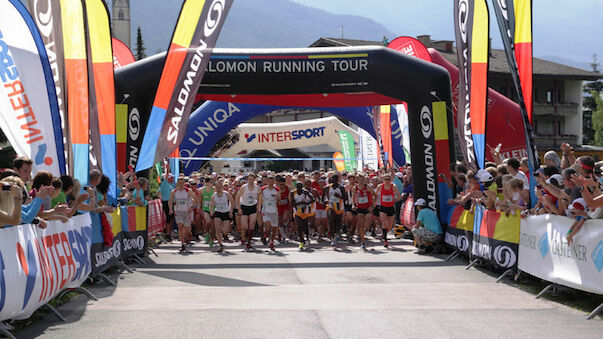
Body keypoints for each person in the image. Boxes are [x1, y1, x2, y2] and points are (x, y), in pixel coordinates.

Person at [169, 175, 195, 252]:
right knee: (180, 226)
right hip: (178, 211)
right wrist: (171, 209)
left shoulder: (188, 190)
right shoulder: (174, 191)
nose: (181, 185)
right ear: (178, 183)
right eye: (179, 183)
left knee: (186, 228)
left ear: (184, 183)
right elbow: (170, 201)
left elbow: (195, 198)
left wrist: (191, 206)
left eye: (182, 183)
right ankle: (182, 244)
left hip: (187, 211)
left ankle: (187, 235)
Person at [236, 173, 260, 251]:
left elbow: (260, 196)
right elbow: (238, 197)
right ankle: (243, 238)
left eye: (252, 179)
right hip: (244, 206)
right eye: (249, 179)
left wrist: (258, 205)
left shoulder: (257, 187)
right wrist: (239, 208)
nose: (251, 181)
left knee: (252, 225)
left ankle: (249, 242)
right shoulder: (244, 187)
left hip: (253, 206)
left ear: (254, 180)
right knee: (245, 226)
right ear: (247, 180)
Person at [209, 179, 234, 253]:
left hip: (226, 212)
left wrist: (230, 210)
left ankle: (223, 236)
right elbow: (212, 204)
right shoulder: (214, 195)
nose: (218, 189)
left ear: (222, 187)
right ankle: (220, 244)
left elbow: (232, 202)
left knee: (225, 231)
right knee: (217, 229)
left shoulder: (226, 194)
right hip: (218, 213)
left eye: (219, 187)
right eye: (217, 187)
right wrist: (211, 211)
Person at [375, 173, 400, 248]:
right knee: (384, 223)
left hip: (390, 207)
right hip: (383, 207)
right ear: (383, 180)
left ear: (391, 180)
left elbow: (398, 196)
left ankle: (383, 234)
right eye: (385, 179)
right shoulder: (380, 186)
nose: (387, 181)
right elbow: (375, 194)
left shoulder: (394, 186)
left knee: (389, 226)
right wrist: (375, 202)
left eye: (388, 179)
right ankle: (385, 241)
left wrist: (396, 199)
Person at [258, 175, 280, 251]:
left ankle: (272, 241)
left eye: (272, 181)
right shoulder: (263, 189)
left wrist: (278, 199)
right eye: (269, 181)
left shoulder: (277, 189)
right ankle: (266, 231)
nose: (271, 183)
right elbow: (260, 199)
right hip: (265, 209)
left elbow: (279, 201)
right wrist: (259, 207)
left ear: (274, 182)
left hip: (274, 210)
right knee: (267, 223)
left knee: (274, 227)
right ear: (267, 181)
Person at [353, 173, 374, 250]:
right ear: (357, 179)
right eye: (358, 178)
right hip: (359, 207)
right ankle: (363, 241)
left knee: (367, 224)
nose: (360, 180)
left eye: (361, 178)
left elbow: (375, 195)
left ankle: (367, 230)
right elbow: (354, 197)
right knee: (361, 224)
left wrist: (372, 205)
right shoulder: (355, 188)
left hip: (367, 207)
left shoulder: (367, 187)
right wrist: (353, 205)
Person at [291, 182, 314, 250]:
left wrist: (306, 203)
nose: (299, 189)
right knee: (299, 225)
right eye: (298, 187)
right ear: (296, 187)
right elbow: (292, 203)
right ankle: (301, 240)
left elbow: (312, 199)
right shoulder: (293, 193)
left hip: (305, 211)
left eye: (300, 187)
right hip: (297, 211)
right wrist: (299, 203)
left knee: (305, 225)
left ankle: (307, 237)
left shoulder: (305, 192)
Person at [324, 174, 344, 246]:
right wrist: (326, 200)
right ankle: (332, 236)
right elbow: (326, 196)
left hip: (339, 206)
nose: (334, 180)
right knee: (331, 219)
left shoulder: (341, 187)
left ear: (338, 180)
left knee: (338, 222)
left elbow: (345, 197)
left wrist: (339, 196)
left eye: (336, 179)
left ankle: (337, 233)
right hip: (330, 205)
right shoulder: (327, 187)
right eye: (333, 179)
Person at [159, 170, 176, 242]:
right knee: (169, 218)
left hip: (171, 202)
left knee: (171, 218)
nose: (173, 179)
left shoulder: (171, 185)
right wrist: (167, 166)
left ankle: (169, 233)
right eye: (171, 177)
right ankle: (167, 234)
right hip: (166, 202)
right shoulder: (164, 183)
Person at [276, 176, 291, 242]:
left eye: (283, 184)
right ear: (278, 184)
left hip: (286, 206)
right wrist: (278, 201)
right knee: (280, 222)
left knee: (285, 219)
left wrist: (291, 206)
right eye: (280, 185)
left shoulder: (288, 189)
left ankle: (286, 231)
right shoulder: (276, 189)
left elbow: (289, 198)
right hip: (278, 206)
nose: (282, 186)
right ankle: (282, 236)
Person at [200, 177, 215, 245]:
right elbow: (200, 199)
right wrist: (198, 207)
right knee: (208, 221)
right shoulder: (202, 190)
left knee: (212, 226)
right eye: (211, 182)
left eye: (213, 182)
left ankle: (210, 238)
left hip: (213, 209)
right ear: (207, 183)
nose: (212, 184)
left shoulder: (214, 190)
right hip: (205, 209)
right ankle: (205, 231)